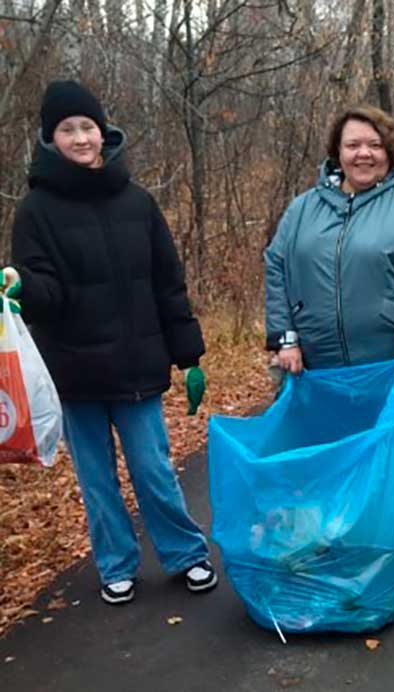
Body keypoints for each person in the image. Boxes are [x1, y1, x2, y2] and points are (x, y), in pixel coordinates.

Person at [2, 80, 217, 606]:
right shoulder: (35, 211)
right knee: (97, 482)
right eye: (67, 129)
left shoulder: (138, 202)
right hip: (75, 374)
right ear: (50, 140)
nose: (80, 138)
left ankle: (186, 554)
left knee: (154, 471)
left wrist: (188, 355)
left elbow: (168, 281)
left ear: (103, 133)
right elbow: (45, 292)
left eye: (87, 127)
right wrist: (22, 288)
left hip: (137, 367)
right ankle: (116, 565)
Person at [265, 106, 394, 461]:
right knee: (329, 465)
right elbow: (277, 267)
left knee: (390, 465)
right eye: (353, 145)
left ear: (390, 151)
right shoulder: (303, 210)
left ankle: (391, 520)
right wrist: (285, 337)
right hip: (320, 370)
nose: (364, 153)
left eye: (374, 144)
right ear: (338, 152)